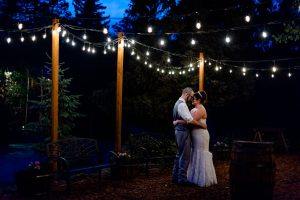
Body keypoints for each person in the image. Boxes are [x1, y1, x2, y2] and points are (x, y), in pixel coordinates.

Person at [174, 91, 217, 187]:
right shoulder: (195, 109)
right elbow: (189, 119)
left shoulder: (201, 109)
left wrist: (178, 121)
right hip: (195, 135)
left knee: (200, 153)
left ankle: (203, 179)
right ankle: (193, 177)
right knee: (195, 153)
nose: (192, 100)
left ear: (198, 100)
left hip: (201, 135)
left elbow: (191, 121)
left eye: (194, 98)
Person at [172, 87, 207, 185]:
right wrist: (202, 125)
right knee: (185, 156)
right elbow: (190, 120)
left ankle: (175, 177)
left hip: (179, 131)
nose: (191, 98)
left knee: (179, 155)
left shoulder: (177, 103)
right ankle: (182, 179)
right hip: (183, 132)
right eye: (191, 96)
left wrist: (177, 121)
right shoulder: (182, 105)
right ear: (187, 94)